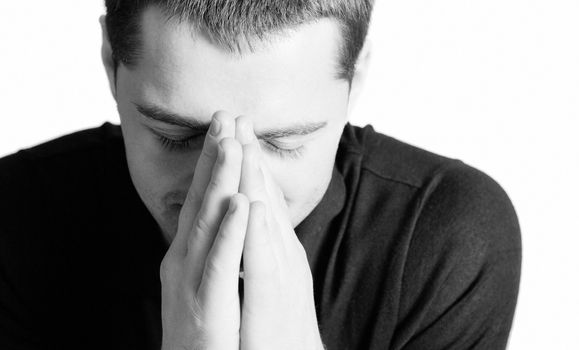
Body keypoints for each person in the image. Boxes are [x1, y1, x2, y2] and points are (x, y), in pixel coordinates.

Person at [0, 1, 521, 349]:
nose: (230, 192)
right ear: (111, 61)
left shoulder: (442, 237)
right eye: (176, 136)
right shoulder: (15, 219)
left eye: (283, 142)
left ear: (355, 76)